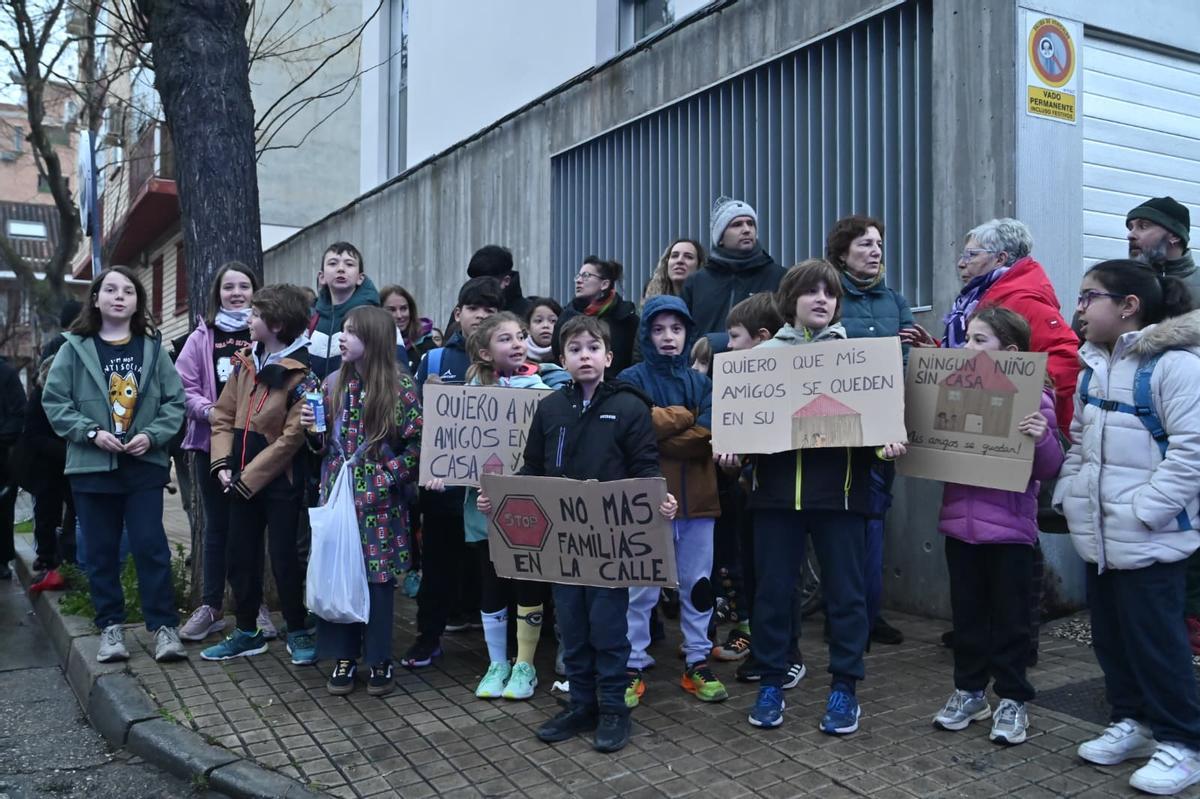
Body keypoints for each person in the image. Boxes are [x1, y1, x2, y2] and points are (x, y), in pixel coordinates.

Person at [478, 315, 677, 753]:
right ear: (561, 357)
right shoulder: (549, 407)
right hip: (563, 547)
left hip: (608, 545)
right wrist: (499, 500)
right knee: (571, 625)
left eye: (592, 348)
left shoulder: (630, 407)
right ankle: (581, 704)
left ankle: (612, 709)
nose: (584, 356)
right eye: (575, 349)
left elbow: (646, 470)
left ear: (608, 356)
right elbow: (531, 470)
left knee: (608, 629)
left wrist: (661, 502)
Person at [737, 259, 906, 733]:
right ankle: (772, 680)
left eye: (829, 294)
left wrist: (885, 442)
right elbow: (740, 424)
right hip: (775, 498)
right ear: (791, 300)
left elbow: (877, 424)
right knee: (771, 594)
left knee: (846, 595)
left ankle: (844, 687)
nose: (821, 300)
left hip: (841, 497)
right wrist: (732, 449)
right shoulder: (761, 359)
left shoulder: (859, 360)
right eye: (811, 292)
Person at [1055, 261, 1200, 795]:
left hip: (1151, 538)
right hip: (1098, 538)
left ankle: (1183, 743)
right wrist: (1070, 498)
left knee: (1158, 644)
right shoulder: (1093, 365)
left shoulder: (1177, 367)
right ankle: (1133, 722)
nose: (1079, 308)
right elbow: (1079, 443)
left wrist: (1145, 512)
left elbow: (1193, 455)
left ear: (1128, 305)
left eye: (1088, 296)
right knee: (1113, 640)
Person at [41, 266, 188, 663]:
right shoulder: (73, 348)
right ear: (96, 298)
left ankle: (164, 627)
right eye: (110, 289)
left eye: (128, 290)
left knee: (150, 546)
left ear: (137, 302)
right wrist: (90, 433)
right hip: (91, 467)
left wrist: (152, 435)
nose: (119, 296)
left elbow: (175, 402)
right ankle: (111, 629)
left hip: (143, 465)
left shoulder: (153, 349)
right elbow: (55, 402)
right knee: (101, 552)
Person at [932, 306, 1064, 746]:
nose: (968, 347)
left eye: (979, 340)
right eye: (966, 338)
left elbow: (1049, 467)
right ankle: (970, 692)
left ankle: (1012, 699)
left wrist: (1041, 435)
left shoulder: (1036, 398)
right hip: (959, 528)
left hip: (1010, 533)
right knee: (967, 617)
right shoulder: (950, 388)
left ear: (1010, 351)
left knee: (1010, 621)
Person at [302, 306, 422, 697]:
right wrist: (312, 433)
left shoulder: (400, 388)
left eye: (352, 332)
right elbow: (320, 447)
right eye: (343, 331)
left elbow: (418, 444)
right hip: (338, 494)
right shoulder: (332, 383)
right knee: (339, 572)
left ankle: (379, 657)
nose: (342, 338)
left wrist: (387, 477)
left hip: (380, 507)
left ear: (374, 339)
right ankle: (343, 655)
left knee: (377, 581)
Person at [431, 312, 550, 700]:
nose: (517, 343)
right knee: (491, 582)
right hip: (482, 509)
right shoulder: (466, 395)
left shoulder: (541, 390)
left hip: (529, 509)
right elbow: (455, 452)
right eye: (505, 339)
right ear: (484, 352)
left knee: (527, 581)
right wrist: (442, 471)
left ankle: (525, 664)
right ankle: (497, 661)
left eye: (520, 336)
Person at [200, 285, 320, 665]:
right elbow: (222, 415)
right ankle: (247, 630)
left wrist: (248, 478)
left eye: (255, 315)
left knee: (284, 557)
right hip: (236, 482)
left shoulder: (303, 373)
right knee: (239, 555)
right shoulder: (245, 362)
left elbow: (291, 439)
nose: (248, 321)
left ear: (277, 323)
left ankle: (298, 629)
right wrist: (222, 466)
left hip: (279, 484)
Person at [617, 295, 726, 707]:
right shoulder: (629, 378)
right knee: (639, 586)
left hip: (698, 499)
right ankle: (633, 663)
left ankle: (697, 661)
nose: (668, 337)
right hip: (643, 500)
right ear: (647, 333)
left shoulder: (704, 383)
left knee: (698, 584)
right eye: (659, 329)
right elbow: (633, 430)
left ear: (687, 333)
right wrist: (684, 416)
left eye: (676, 329)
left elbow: (709, 437)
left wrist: (662, 425)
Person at [399, 277, 502, 668]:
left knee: (493, 569)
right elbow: (418, 421)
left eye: (491, 310)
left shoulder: (507, 362)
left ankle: (502, 641)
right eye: (474, 308)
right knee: (438, 568)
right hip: (443, 489)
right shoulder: (436, 360)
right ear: (458, 313)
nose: (482, 316)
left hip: (489, 494)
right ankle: (428, 637)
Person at [826, 214, 915, 647]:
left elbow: (907, 356)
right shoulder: (829, 296)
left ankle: (870, 613)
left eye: (878, 243)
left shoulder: (895, 301)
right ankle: (840, 613)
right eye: (864, 244)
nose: (875, 251)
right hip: (838, 422)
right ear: (842, 253)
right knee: (840, 520)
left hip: (883, 423)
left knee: (876, 519)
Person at [903, 218, 1078, 434]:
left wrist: (1023, 395)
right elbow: (987, 355)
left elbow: (1065, 359)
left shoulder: (1023, 299)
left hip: (1017, 428)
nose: (961, 263)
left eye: (971, 255)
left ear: (1000, 259)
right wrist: (942, 351)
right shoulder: (980, 296)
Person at [711, 294, 804, 692]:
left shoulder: (786, 377)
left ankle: (789, 657)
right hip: (753, 491)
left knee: (779, 579)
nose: (728, 346)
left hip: (783, 495)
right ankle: (766, 652)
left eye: (735, 336)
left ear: (762, 337)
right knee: (758, 577)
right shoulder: (741, 380)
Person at [175, 262, 269, 642]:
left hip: (254, 446)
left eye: (243, 286)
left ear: (254, 291)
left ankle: (254, 605)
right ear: (217, 293)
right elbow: (185, 388)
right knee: (216, 528)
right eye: (228, 287)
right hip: (208, 444)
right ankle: (211, 606)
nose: (236, 293)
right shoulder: (201, 338)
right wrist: (211, 412)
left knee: (252, 528)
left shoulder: (264, 334)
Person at [680, 197, 786, 352]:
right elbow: (683, 332)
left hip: (763, 368)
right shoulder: (696, 283)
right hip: (705, 370)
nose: (746, 229)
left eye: (750, 223)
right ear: (720, 238)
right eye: (737, 224)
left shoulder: (779, 277)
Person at [552, 257, 639, 380]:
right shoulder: (566, 317)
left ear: (604, 284)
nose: (579, 281)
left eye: (586, 276)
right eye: (578, 276)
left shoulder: (626, 319)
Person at [307, 242, 383, 380]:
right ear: (321, 277)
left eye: (349, 264)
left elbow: (394, 368)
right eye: (333, 263)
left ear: (360, 278)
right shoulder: (311, 319)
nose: (341, 269)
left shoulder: (377, 318)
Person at [1127, 196, 1197, 298]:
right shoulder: (1122, 283)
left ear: (1175, 236)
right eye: (1131, 228)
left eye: (1143, 226)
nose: (1130, 235)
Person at [0, 355, 25, 580]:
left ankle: (1, 559)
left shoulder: (6, 374)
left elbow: (19, 414)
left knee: (2, 511)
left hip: (2, 457)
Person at [381, 285, 434, 374]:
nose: (399, 315)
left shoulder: (427, 347)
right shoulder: (371, 347)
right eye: (391, 310)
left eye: (403, 308)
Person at [524, 298, 571, 389]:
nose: (545, 326)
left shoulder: (567, 356)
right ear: (528, 328)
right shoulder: (518, 356)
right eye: (538, 321)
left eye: (553, 321)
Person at [642, 239, 706, 301]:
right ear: (666, 263)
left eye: (688, 257)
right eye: (674, 256)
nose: (680, 260)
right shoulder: (651, 298)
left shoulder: (709, 301)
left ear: (699, 265)